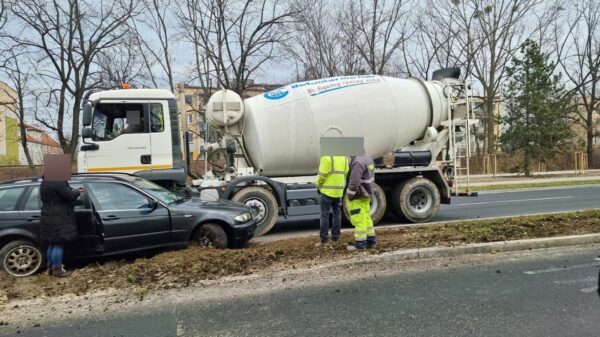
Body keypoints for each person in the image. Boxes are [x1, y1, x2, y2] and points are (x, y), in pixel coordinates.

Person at [40, 178, 82, 277]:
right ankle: (58, 270)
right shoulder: (57, 181)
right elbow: (70, 195)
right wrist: (78, 191)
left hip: (48, 215)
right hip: (58, 216)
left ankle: (50, 268)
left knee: (52, 243)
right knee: (59, 243)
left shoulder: (45, 181)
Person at [345, 151, 376, 251]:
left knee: (359, 220)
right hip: (366, 193)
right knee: (366, 218)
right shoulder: (367, 156)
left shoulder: (357, 162)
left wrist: (349, 195)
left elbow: (354, 182)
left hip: (358, 195)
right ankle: (371, 241)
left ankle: (360, 244)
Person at [316, 155, 349, 245]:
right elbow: (345, 174)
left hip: (327, 191)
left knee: (324, 215)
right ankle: (335, 238)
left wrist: (318, 185)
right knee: (337, 214)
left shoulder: (326, 158)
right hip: (338, 192)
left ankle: (324, 240)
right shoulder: (344, 158)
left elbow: (321, 176)